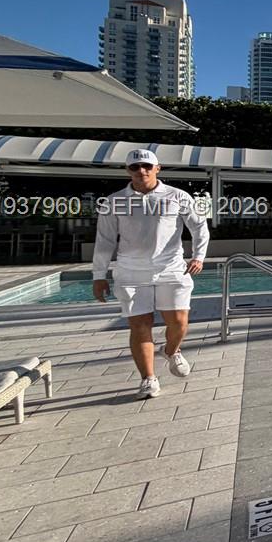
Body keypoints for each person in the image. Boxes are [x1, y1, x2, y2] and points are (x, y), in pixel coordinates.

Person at [92, 150, 210, 398]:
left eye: (146, 165)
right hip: (130, 273)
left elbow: (199, 227)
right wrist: (98, 275)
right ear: (128, 171)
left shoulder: (177, 196)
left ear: (158, 168)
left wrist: (198, 256)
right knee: (139, 325)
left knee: (178, 322)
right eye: (135, 167)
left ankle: (171, 351)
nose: (141, 170)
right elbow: (104, 241)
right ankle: (148, 378)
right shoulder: (113, 201)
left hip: (171, 269)